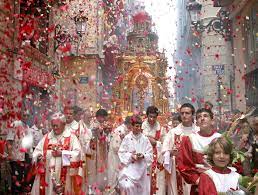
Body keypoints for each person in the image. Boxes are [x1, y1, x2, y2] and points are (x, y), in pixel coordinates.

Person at [31, 112, 82, 195]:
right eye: (53, 125)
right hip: (47, 176)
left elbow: (77, 155)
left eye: (56, 125)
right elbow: (36, 151)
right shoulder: (47, 137)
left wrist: (62, 154)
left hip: (64, 176)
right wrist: (38, 157)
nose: (54, 128)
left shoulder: (71, 137)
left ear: (63, 124)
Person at [177, 108, 221, 195]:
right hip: (199, 184)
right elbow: (184, 163)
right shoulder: (189, 139)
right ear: (196, 122)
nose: (202, 118)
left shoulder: (220, 138)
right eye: (199, 117)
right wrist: (198, 180)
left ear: (212, 121)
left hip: (219, 182)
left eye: (205, 116)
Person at [162, 103, 199, 195]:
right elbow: (164, 150)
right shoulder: (173, 132)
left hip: (195, 168)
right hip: (177, 169)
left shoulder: (198, 131)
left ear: (192, 115)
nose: (184, 115)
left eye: (187, 113)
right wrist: (170, 152)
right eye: (182, 113)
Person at [118, 115, 153, 195]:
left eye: (140, 126)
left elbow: (150, 154)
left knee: (143, 190)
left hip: (142, 169)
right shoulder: (127, 138)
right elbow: (121, 152)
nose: (139, 128)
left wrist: (143, 156)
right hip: (129, 168)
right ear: (132, 126)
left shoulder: (145, 139)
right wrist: (131, 156)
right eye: (137, 126)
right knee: (128, 186)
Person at [6, 109, 33, 193]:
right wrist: (10, 155)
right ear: (20, 115)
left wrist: (30, 156)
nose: (26, 117)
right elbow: (9, 141)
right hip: (15, 157)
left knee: (22, 180)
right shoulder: (15, 124)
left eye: (27, 115)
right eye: (24, 115)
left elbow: (28, 143)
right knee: (15, 180)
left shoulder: (27, 127)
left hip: (24, 157)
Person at [142, 106, 166, 195]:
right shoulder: (140, 127)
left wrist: (155, 143)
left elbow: (165, 145)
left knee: (157, 182)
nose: (152, 119)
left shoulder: (161, 129)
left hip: (157, 158)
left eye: (154, 117)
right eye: (150, 116)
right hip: (143, 159)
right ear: (147, 116)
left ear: (157, 117)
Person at [107, 116, 132, 194]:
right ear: (129, 123)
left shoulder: (126, 130)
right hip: (115, 158)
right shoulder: (120, 130)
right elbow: (116, 147)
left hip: (121, 159)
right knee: (114, 178)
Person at [88, 108, 110, 192]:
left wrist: (107, 132)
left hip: (102, 150)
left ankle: (101, 186)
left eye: (105, 118)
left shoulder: (104, 124)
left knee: (101, 167)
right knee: (93, 167)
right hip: (93, 150)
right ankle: (93, 187)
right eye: (102, 117)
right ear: (98, 117)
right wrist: (99, 131)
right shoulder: (92, 124)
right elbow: (91, 136)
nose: (104, 119)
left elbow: (107, 139)